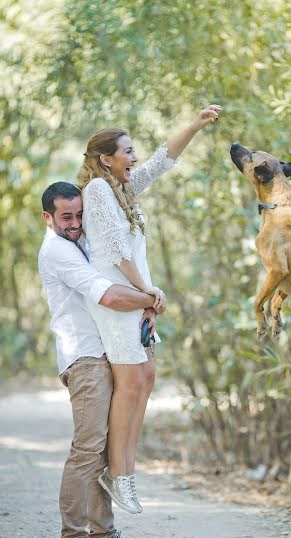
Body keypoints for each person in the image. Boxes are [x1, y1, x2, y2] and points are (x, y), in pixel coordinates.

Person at [78, 104, 222, 514]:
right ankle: (120, 475)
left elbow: (163, 161)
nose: (134, 157)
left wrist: (194, 124)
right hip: (118, 298)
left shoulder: (123, 189)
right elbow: (118, 250)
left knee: (147, 377)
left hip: (138, 299)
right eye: (127, 151)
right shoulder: (97, 191)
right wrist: (149, 293)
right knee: (130, 385)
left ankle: (123, 471)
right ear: (106, 158)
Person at [38, 181, 163, 538]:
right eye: (66, 217)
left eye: (79, 215)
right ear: (48, 217)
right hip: (85, 357)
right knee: (88, 447)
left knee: (107, 445)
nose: (76, 223)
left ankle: (104, 536)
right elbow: (107, 294)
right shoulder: (57, 251)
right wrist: (152, 299)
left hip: (109, 350)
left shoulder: (82, 239)